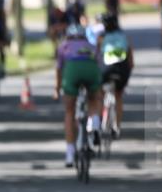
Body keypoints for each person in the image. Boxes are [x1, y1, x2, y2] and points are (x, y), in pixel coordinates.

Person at [54, 23, 102, 168]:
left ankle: (69, 153)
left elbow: (59, 70)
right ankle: (94, 123)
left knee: (69, 111)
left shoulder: (63, 46)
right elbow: (100, 66)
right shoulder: (92, 46)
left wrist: (57, 88)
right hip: (91, 69)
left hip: (72, 70)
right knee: (94, 99)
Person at [97, 13, 134, 138]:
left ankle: (98, 121)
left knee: (99, 93)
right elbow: (131, 61)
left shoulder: (101, 38)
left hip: (106, 70)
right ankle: (117, 127)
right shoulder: (124, 37)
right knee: (118, 95)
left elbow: (97, 57)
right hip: (121, 70)